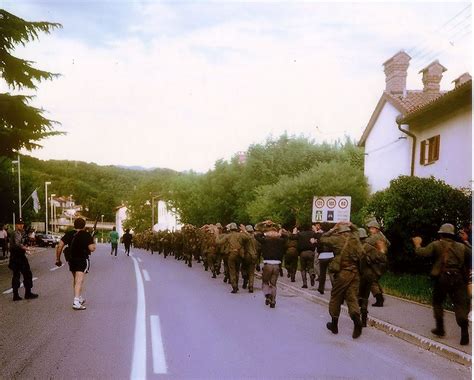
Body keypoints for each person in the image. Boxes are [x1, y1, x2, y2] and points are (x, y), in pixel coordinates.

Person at [412, 223, 471, 345]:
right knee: (460, 304)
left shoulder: (436, 244)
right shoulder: (461, 247)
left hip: (443, 278)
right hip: (458, 278)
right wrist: (466, 242)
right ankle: (464, 329)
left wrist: (417, 244)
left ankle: (440, 329)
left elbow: (422, 253)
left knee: (437, 302)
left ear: (441, 234)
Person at [320, 222, 364, 339]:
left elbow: (322, 239)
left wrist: (332, 229)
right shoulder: (355, 239)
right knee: (351, 297)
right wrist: (352, 225)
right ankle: (356, 320)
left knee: (336, 297)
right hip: (355, 273)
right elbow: (356, 231)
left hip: (343, 273)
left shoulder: (336, 239)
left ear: (340, 232)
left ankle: (334, 324)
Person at [56, 217, 96, 310]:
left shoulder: (69, 234)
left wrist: (58, 259)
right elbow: (92, 249)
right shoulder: (86, 235)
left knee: (76, 279)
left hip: (71, 259)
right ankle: (76, 301)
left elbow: (60, 245)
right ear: (84, 225)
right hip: (81, 259)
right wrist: (92, 239)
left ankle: (79, 297)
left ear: (74, 225)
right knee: (79, 280)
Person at [358, 228, 388, 327]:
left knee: (359, 296)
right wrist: (382, 250)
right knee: (366, 297)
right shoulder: (369, 247)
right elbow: (382, 258)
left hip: (358, 276)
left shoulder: (354, 247)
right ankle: (364, 317)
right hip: (369, 274)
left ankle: (357, 314)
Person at [254, 220, 287, 308]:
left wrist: (264, 225)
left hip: (267, 264)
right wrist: (277, 229)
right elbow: (287, 235)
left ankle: (268, 295)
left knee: (265, 282)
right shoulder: (281, 241)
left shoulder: (264, 240)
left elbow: (256, 234)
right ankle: (273, 300)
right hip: (277, 265)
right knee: (273, 284)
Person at [8, 218, 38, 301]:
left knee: (22, 274)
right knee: (21, 275)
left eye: (22, 224)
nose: (21, 225)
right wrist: (27, 249)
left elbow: (25, 242)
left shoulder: (22, 233)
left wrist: (27, 248)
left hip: (18, 256)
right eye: (19, 224)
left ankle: (21, 294)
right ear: (16, 225)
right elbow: (18, 244)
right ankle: (22, 294)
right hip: (17, 256)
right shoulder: (16, 233)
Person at [366, 220, 391, 307]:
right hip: (383, 261)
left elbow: (365, 242)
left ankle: (379, 299)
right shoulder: (382, 236)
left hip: (377, 262)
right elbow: (389, 243)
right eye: (370, 228)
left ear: (376, 229)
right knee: (374, 279)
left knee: (371, 280)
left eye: (372, 228)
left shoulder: (375, 237)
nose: (370, 230)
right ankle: (380, 297)